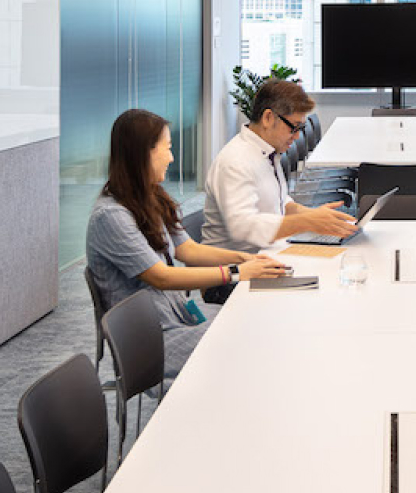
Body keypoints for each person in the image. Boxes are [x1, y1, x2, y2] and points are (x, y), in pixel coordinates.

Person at [86, 109, 286, 384]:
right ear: (142, 153)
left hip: (177, 316)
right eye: (166, 148)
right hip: (151, 339)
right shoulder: (111, 216)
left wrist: (246, 258)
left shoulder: (149, 197)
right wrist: (236, 271)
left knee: (256, 321)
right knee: (247, 341)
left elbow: (187, 250)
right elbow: (162, 276)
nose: (171, 157)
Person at [202, 78, 357, 253]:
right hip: (238, 270)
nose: (297, 136)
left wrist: (314, 214)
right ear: (268, 118)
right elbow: (243, 227)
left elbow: (281, 204)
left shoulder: (268, 152)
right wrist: (308, 222)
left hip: (270, 253)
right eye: (294, 127)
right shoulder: (235, 161)